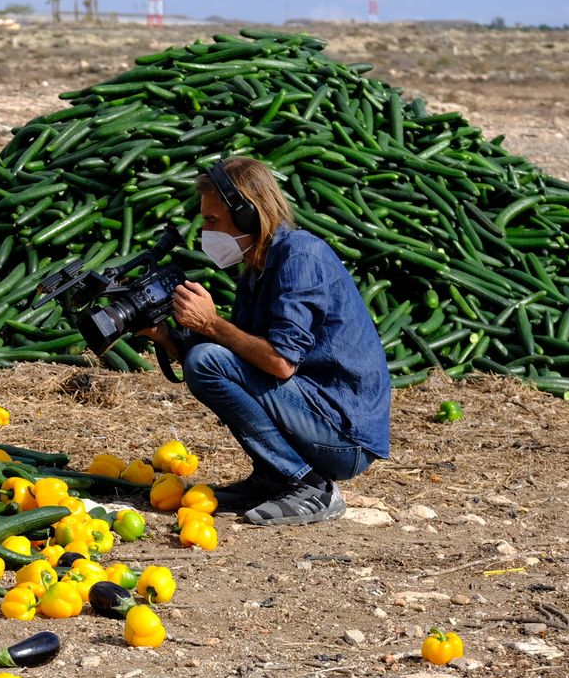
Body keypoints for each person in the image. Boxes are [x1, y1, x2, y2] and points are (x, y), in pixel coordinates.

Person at [143, 157, 391, 525]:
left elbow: (279, 362)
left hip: (343, 435)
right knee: (206, 359)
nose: (205, 231)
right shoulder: (256, 269)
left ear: (247, 216)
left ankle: (309, 486)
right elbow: (239, 363)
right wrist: (160, 334)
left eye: (212, 221)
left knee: (207, 359)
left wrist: (211, 324)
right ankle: (275, 478)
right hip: (313, 416)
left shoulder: (300, 257)